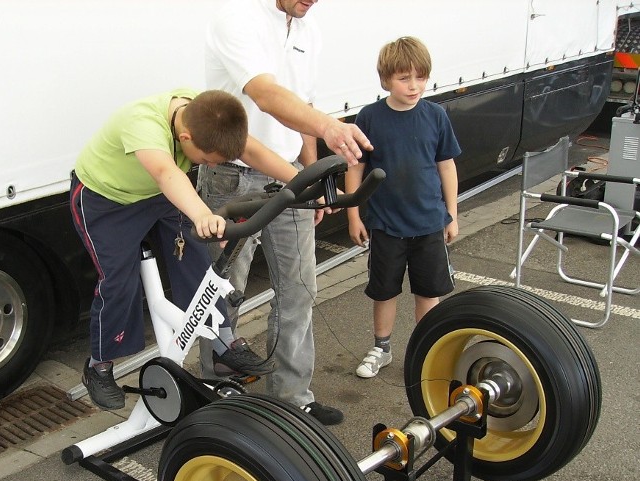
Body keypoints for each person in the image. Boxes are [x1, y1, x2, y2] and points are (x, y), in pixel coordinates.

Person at [197, 0, 372, 426]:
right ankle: (220, 395)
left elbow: (301, 109)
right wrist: (330, 127)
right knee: (224, 295)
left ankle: (291, 399)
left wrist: (310, 177)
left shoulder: (307, 30)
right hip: (233, 177)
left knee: (300, 290)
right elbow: (266, 94)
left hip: (288, 174)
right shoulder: (236, 18)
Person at [71, 88, 300, 410]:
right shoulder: (142, 122)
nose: (207, 164)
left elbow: (252, 151)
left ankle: (224, 343)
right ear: (185, 136)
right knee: (118, 282)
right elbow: (166, 172)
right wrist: (202, 214)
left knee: (195, 258)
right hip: (108, 200)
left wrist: (303, 182)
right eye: (206, 161)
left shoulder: (207, 113)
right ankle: (99, 365)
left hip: (159, 192)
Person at [345, 36, 461, 379]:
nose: (414, 86)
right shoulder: (369, 117)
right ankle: (381, 348)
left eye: (420, 77)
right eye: (404, 78)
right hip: (385, 225)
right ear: (385, 80)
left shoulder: (436, 115)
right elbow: (356, 168)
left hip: (428, 223)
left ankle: (427, 350)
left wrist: (451, 214)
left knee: (429, 292)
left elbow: (447, 166)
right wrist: (354, 214)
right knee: (384, 290)